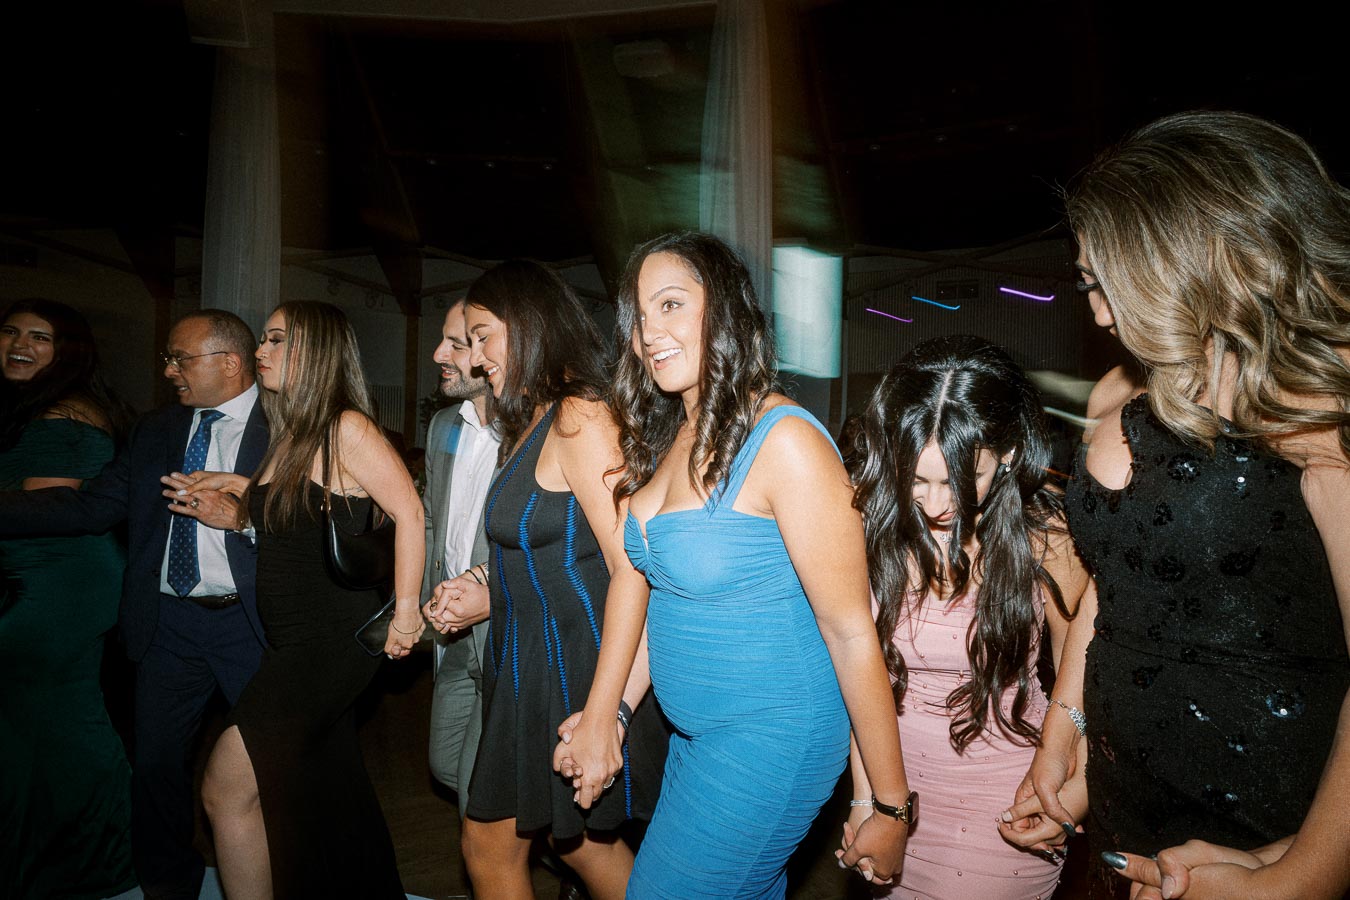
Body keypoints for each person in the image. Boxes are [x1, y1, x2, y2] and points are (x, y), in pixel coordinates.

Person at [1017, 111, 1350, 899]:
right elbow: (1124, 580)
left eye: (1108, 283)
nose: (1097, 314)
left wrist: (1299, 878)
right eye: (1088, 286)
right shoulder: (1122, 390)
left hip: (1279, 819)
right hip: (1132, 808)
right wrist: (1067, 740)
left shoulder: (1313, 393)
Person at [557, 232, 910, 896]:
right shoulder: (670, 438)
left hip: (772, 740)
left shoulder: (786, 441)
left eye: (671, 305)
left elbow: (853, 632)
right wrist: (615, 714)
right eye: (639, 315)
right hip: (697, 741)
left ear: (726, 311)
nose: (648, 333)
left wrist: (888, 805)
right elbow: (666, 605)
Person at [0, 308, 268, 900]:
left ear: (229, 362)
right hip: (167, 623)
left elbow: (321, 525)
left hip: (251, 625)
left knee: (276, 771)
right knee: (156, 771)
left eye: (181, 358)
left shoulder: (288, 426)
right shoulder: (156, 431)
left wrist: (247, 514)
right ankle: (168, 886)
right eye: (168, 358)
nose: (168, 369)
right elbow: (91, 507)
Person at [166, 300, 424, 898]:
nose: (261, 350)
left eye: (277, 340)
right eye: (263, 338)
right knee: (332, 790)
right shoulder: (294, 433)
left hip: (328, 643)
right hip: (293, 641)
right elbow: (292, 507)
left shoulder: (346, 427)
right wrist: (234, 493)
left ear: (317, 352)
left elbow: (408, 510)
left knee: (225, 789)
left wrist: (406, 612)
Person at [849, 335, 1090, 900]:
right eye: (917, 479)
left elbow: (1092, 675)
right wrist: (870, 803)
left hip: (1006, 805)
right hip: (895, 792)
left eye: (961, 481)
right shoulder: (868, 530)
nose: (935, 505)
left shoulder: (1046, 540)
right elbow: (857, 682)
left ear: (1006, 454)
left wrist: (1077, 789)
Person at [456, 259, 667, 900]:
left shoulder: (579, 414)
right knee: (573, 845)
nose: (474, 358)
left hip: (574, 663)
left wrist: (606, 711)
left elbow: (633, 563)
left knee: (496, 845)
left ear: (527, 325)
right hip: (527, 663)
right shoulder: (533, 419)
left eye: (482, 335)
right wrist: (486, 590)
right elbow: (547, 546)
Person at [0, 299, 138, 899]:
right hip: (34, 578)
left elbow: (47, 510)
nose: (18, 345)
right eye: (8, 332)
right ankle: (48, 863)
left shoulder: (65, 414)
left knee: (62, 725)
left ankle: (97, 862)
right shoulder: (33, 408)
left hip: (54, 584)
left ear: (70, 351)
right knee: (35, 725)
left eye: (39, 337)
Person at [421, 296, 498, 808]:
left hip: (504, 635)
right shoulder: (444, 426)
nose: (437, 354)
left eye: (455, 342)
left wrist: (486, 585)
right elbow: (432, 518)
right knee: (446, 764)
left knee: (480, 800)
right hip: (449, 632)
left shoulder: (541, 431)